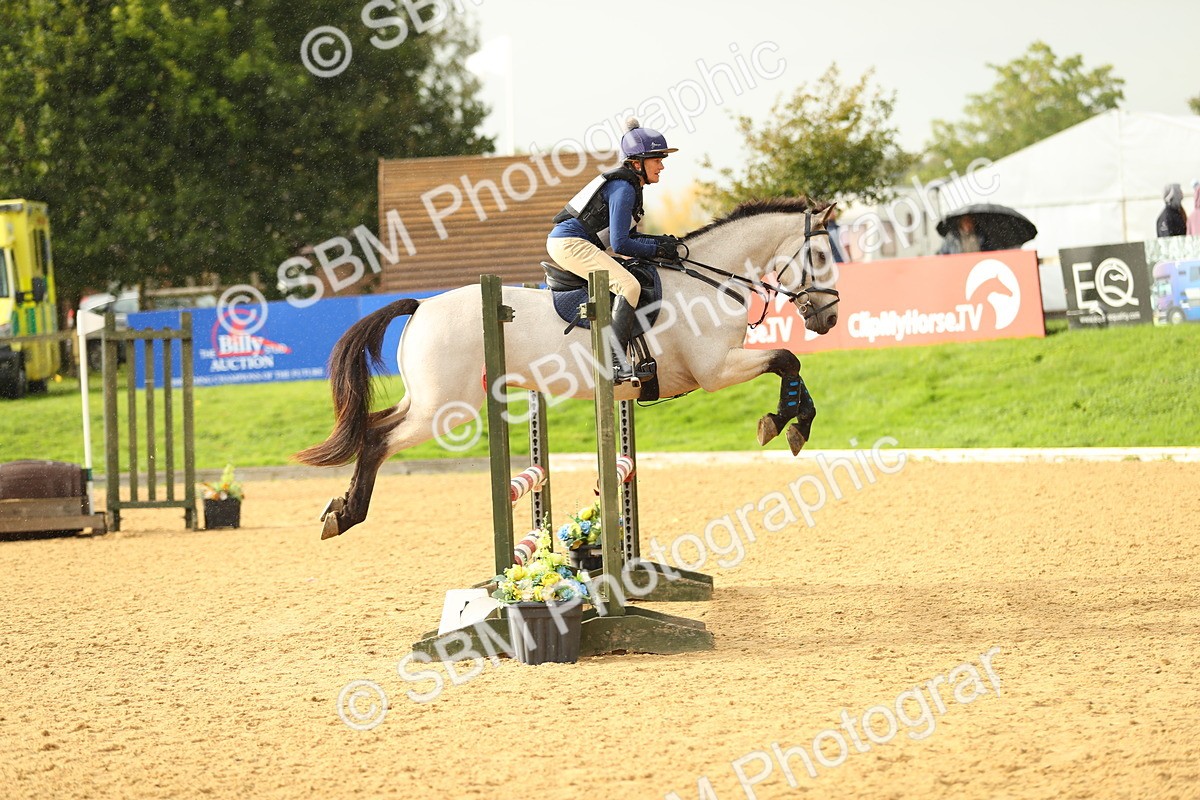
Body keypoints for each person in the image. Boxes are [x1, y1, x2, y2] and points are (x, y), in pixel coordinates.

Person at [547, 117, 685, 383]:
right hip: (570, 243)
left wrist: (662, 243)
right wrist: (656, 248)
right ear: (637, 164)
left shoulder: (631, 186)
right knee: (629, 287)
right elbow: (621, 245)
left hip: (573, 242)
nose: (662, 165)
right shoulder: (624, 188)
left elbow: (628, 236)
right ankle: (613, 362)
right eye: (656, 159)